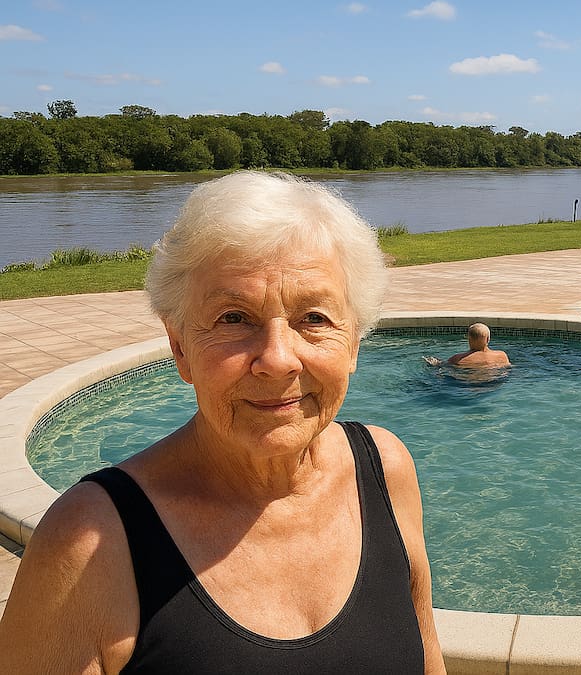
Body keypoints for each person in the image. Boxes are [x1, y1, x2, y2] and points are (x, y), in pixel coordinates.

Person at [0, 171, 445, 673]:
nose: (278, 360)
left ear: (354, 344)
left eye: (314, 318)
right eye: (234, 318)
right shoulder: (89, 543)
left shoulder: (385, 469)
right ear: (179, 348)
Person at [424, 322, 511, 368]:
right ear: (488, 339)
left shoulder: (457, 359)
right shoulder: (502, 356)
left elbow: (441, 366)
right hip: (493, 384)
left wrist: (433, 362)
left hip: (467, 385)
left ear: (469, 339)